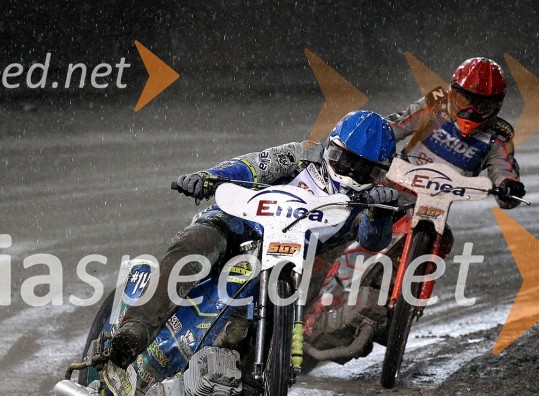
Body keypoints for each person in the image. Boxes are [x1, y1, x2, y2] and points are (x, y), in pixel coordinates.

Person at [108, 110, 400, 369]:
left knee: (280, 309)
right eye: (345, 160)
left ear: (380, 173)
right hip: (234, 224)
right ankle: (135, 330)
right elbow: (249, 166)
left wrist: (380, 214)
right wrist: (208, 177)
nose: (351, 174)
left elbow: (372, 241)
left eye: (365, 170)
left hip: (287, 263)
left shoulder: (371, 200)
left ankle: (245, 382)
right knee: (196, 247)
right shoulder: (301, 155)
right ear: (330, 148)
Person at [386, 57, 526, 208]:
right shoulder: (435, 105)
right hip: (391, 186)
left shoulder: (498, 140)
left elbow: (504, 174)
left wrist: (509, 186)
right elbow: (392, 128)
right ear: (452, 92)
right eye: (464, 101)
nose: (471, 111)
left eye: (481, 105)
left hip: (434, 205)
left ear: (496, 105)